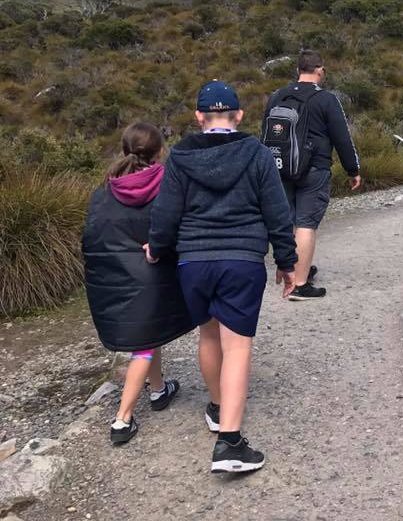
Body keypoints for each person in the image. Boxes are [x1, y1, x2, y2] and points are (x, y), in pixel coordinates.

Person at [146, 80, 297, 473]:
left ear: (199, 117)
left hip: (193, 263)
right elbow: (277, 213)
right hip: (241, 261)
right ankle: (229, 442)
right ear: (239, 115)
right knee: (238, 345)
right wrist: (287, 261)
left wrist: (157, 247)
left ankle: (217, 406)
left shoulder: (179, 157)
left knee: (209, 334)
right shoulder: (259, 154)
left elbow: (166, 214)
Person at [82, 122, 195, 445]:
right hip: (150, 274)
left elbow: (93, 236)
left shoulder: (105, 189)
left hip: (116, 274)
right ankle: (122, 420)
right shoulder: (167, 185)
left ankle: (158, 390)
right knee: (143, 346)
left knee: (148, 334)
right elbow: (176, 227)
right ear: (161, 151)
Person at [262, 49, 361, 301]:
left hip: (279, 167)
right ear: (320, 70)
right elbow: (342, 137)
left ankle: (295, 269)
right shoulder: (326, 99)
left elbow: (265, 133)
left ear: (298, 70)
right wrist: (353, 169)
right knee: (306, 222)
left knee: (290, 219)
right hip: (314, 168)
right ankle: (299, 284)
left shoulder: (276, 96)